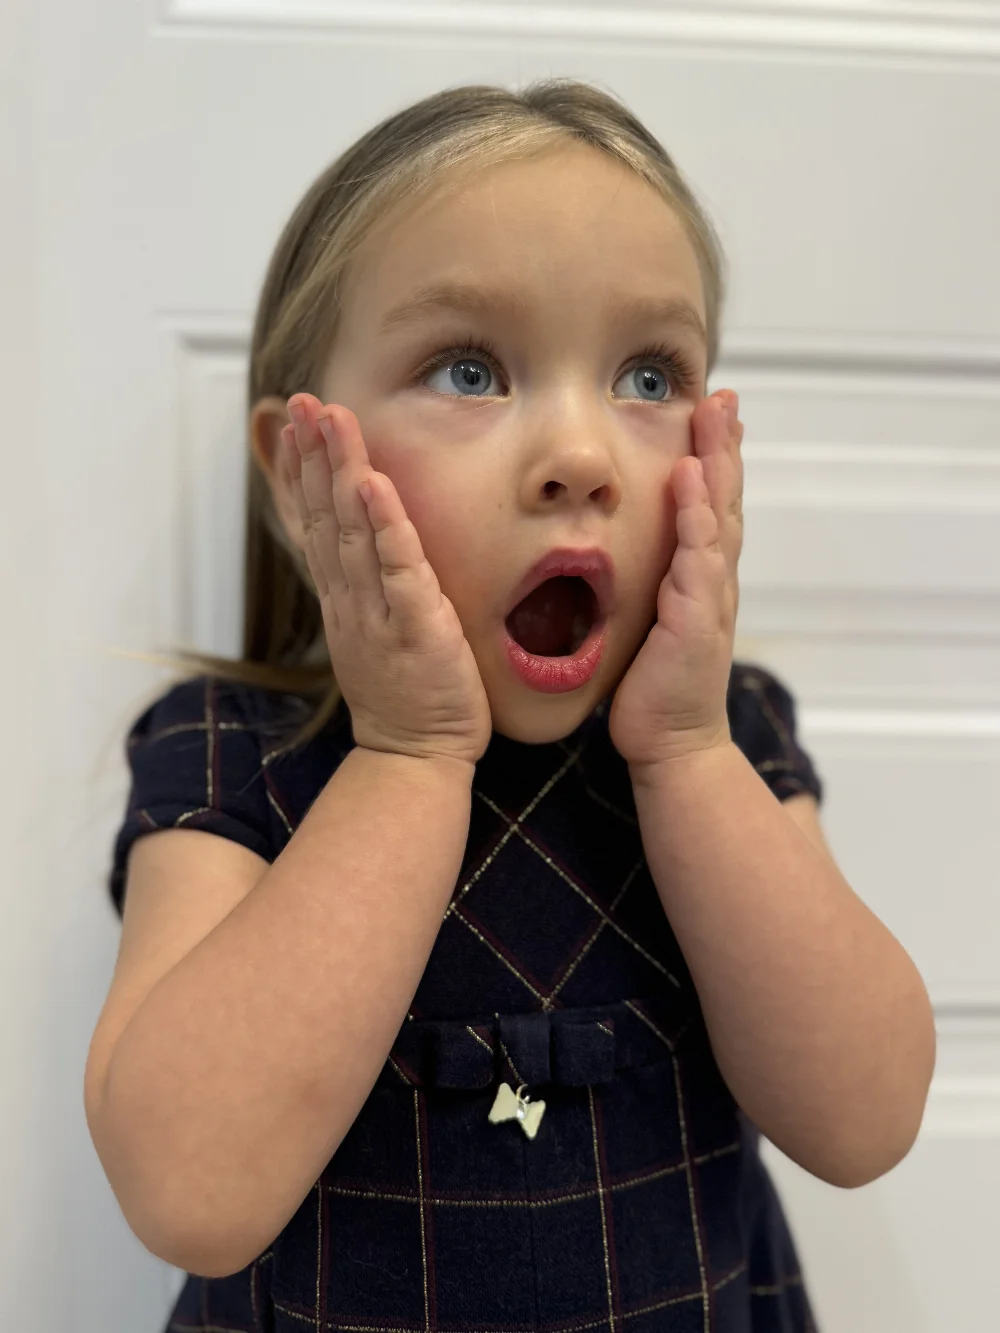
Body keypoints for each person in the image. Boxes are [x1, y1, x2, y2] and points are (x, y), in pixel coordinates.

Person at [84, 79, 936, 1332]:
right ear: (298, 471)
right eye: (469, 369)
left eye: (647, 375)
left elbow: (864, 1120)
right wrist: (408, 756)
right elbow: (188, 1190)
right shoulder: (231, 754)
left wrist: (689, 753)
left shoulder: (722, 741)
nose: (580, 457)